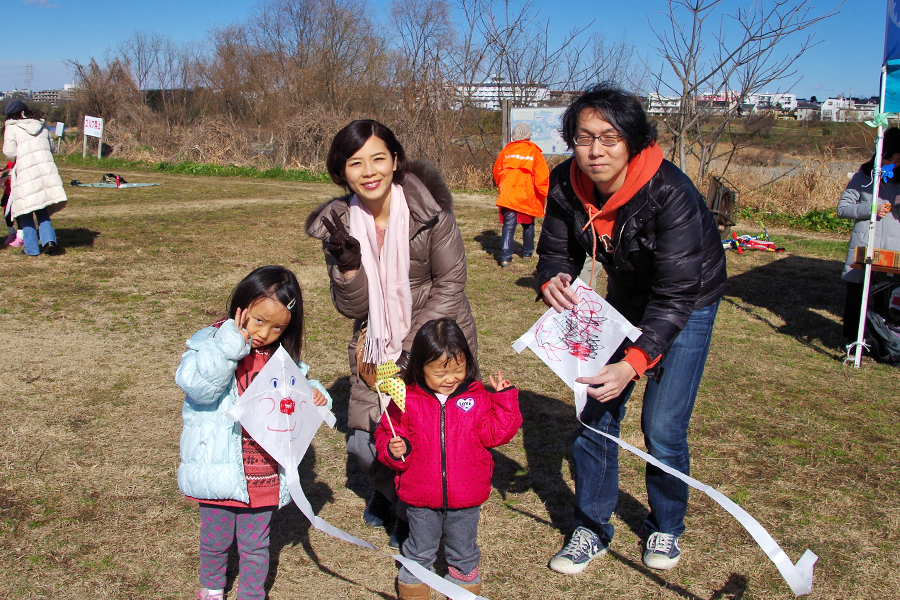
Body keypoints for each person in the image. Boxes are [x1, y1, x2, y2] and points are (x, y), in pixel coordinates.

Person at [536, 83, 727, 574]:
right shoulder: (563, 185)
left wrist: (635, 362)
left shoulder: (671, 193)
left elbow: (676, 293)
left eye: (610, 137)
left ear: (634, 141)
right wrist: (551, 277)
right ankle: (591, 528)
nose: (595, 150)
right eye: (583, 137)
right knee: (595, 411)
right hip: (625, 294)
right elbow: (557, 251)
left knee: (661, 427)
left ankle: (665, 526)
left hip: (689, 298)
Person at [305, 120, 478, 550]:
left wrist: (410, 354)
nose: (369, 171)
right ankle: (394, 499)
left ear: (395, 160)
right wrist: (347, 267)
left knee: (431, 439)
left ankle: (413, 515)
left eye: (378, 158)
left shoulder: (429, 211)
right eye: (355, 162)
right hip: (376, 344)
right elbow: (351, 308)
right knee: (366, 444)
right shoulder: (341, 224)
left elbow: (451, 281)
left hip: (434, 341)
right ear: (341, 172)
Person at [175, 266, 334, 600]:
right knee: (215, 539)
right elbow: (200, 389)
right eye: (259, 320)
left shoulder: (278, 356)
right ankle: (212, 587)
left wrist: (316, 392)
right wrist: (229, 347)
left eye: (278, 327)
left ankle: (251, 594)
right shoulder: (209, 342)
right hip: (217, 465)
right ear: (241, 306)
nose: (265, 333)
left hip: (262, 471)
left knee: (256, 544)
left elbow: (298, 387)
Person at [374, 318, 521, 600]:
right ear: (420, 367)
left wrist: (504, 400)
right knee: (420, 543)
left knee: (463, 544)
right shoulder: (406, 399)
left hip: (467, 492)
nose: (450, 379)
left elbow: (496, 435)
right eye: (440, 373)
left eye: (458, 370)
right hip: (420, 491)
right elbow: (387, 434)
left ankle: (463, 578)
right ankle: (416, 577)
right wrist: (395, 449)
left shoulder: (477, 398)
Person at [837, 126, 900, 340]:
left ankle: (881, 340)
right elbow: (843, 208)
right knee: (857, 294)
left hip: (892, 249)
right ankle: (852, 339)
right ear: (882, 154)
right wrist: (870, 209)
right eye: (893, 158)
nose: (896, 164)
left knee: (885, 298)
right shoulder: (863, 177)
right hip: (864, 246)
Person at [2, 100, 66, 256]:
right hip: (45, 170)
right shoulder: (42, 125)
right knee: (42, 208)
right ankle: (49, 241)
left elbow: (9, 153)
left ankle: (31, 248)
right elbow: (51, 148)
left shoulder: (12, 128)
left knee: (25, 210)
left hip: (25, 172)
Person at [492, 122, 550, 267]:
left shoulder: (506, 151)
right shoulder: (534, 152)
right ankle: (527, 253)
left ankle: (505, 258)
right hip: (526, 195)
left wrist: (502, 186)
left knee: (508, 226)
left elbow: (497, 172)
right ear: (528, 135)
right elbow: (542, 177)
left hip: (509, 195)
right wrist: (547, 193)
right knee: (528, 224)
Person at [1, 160, 22, 247]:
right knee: (7, 213)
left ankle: (21, 237)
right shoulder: (10, 162)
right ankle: (11, 233)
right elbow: (4, 173)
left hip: (18, 192)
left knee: (19, 214)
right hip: (8, 192)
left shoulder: (21, 161)